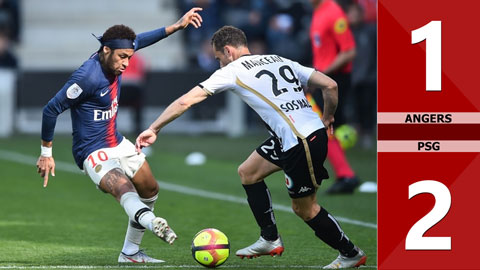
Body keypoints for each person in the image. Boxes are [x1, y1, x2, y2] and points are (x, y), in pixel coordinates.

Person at [136, 25, 366, 269]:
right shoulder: (279, 59)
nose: (219, 65)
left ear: (228, 51)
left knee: (305, 209)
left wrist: (155, 127)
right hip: (298, 136)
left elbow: (186, 101)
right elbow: (330, 85)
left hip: (301, 142)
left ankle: (350, 253)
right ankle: (269, 238)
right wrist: (328, 116)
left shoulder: (233, 70)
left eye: (218, 59)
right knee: (248, 172)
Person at [35, 7, 203, 263]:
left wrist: (177, 26)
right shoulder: (87, 77)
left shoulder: (118, 56)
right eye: (122, 57)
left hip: (117, 141)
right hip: (91, 151)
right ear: (106, 50)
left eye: (130, 57)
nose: (126, 63)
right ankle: (153, 222)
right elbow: (51, 109)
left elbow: (142, 39)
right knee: (124, 188)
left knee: (150, 189)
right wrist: (46, 153)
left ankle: (130, 253)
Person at [309, 0, 360, 194]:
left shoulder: (333, 13)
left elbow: (349, 51)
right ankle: (344, 174)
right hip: (324, 77)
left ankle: (346, 175)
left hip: (334, 78)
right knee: (324, 125)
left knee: (324, 125)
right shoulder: (319, 11)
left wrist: (321, 75)